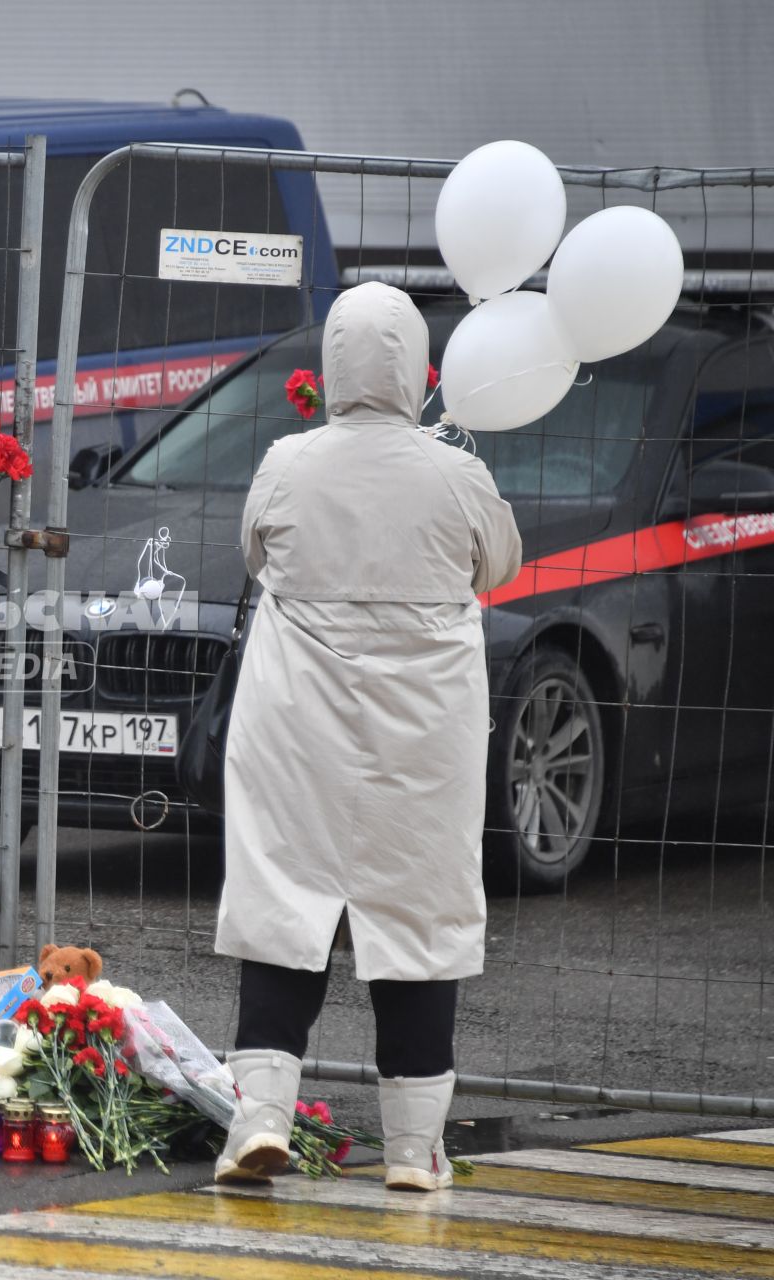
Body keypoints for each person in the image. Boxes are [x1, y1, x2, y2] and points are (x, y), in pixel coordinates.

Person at [211, 282, 523, 1192]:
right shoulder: (455, 472)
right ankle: (412, 1151)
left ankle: (259, 1122)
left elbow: (253, 554)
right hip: (422, 735)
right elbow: (498, 561)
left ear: (333, 368)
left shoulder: (287, 461)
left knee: (283, 906)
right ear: (416, 368)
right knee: (417, 914)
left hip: (295, 724)